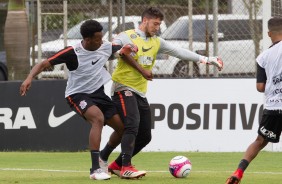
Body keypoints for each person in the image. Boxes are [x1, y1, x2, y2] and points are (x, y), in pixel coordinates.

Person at [98, 6, 223, 179]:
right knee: (132, 125)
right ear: (145, 21)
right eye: (155, 24)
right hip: (122, 87)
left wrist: (206, 59)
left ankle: (114, 163)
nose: (157, 28)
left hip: (140, 92)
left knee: (145, 136)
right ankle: (126, 167)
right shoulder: (126, 36)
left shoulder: (156, 41)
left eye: (159, 25)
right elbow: (109, 54)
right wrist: (120, 51)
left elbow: (179, 52)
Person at [19, 19, 142, 180]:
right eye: (97, 39)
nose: (101, 41)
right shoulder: (72, 52)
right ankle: (95, 169)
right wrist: (29, 78)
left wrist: (129, 47)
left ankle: (103, 158)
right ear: (87, 39)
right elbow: (43, 64)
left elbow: (121, 50)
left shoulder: (105, 46)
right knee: (97, 118)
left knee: (122, 129)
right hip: (77, 94)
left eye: (101, 37)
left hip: (98, 93)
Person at [225, 17, 282, 184]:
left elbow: (260, 87)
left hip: (273, 107)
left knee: (259, 141)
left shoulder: (263, 57)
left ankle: (238, 172)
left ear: (269, 33)